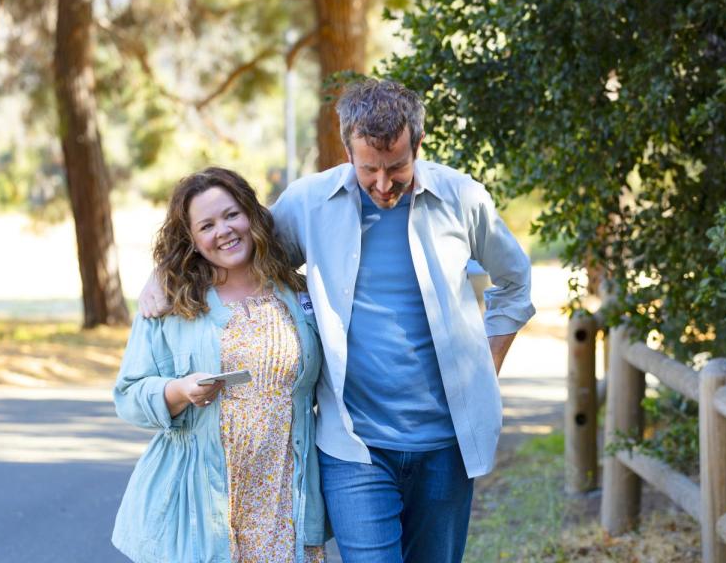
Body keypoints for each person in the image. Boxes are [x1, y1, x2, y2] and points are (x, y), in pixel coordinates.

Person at [141, 78, 535, 563]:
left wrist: (487, 367)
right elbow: (236, 250)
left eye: (397, 167)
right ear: (347, 150)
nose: (384, 185)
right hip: (353, 448)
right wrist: (164, 272)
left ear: (418, 144)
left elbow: (515, 283)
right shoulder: (309, 203)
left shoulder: (463, 199)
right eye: (369, 169)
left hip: (447, 445)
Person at [112, 167, 327, 563]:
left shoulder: (296, 292)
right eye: (206, 225)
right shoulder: (172, 301)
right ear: (191, 239)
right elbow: (128, 394)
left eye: (231, 215)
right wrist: (177, 391)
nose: (224, 231)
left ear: (251, 215)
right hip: (202, 505)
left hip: (284, 497)